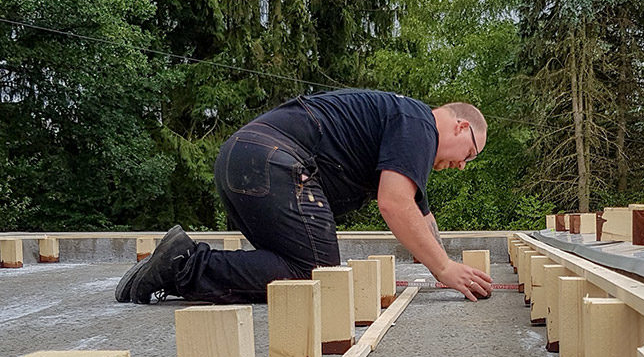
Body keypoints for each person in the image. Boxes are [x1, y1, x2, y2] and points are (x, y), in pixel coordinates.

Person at [115, 89, 493, 305]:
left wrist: (450, 265)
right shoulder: (419, 123)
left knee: (287, 265)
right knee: (316, 275)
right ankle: (184, 265)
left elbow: (419, 216)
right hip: (272, 161)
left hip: (245, 158)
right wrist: (444, 270)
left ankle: (175, 264)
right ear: (461, 127)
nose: (462, 165)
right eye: (470, 154)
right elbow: (394, 204)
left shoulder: (405, 129)